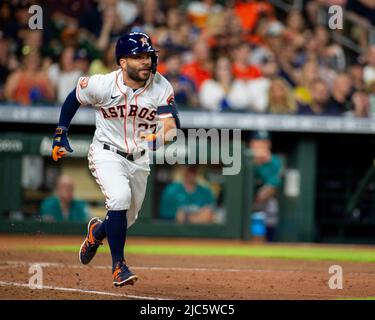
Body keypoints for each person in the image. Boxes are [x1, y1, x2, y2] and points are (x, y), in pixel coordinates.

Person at [51, 31, 180, 287]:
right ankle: (118, 266)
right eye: (139, 57)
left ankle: (96, 232)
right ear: (122, 62)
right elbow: (74, 96)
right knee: (119, 197)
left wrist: (158, 138)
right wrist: (60, 132)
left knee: (125, 219)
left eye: (148, 56)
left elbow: (171, 128)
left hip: (140, 159)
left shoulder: (161, 86)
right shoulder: (103, 84)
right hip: (106, 152)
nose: (146, 62)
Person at [249, 131, 282, 242]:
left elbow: (272, 185)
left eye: (265, 142)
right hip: (242, 200)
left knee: (271, 205)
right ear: (252, 144)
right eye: (258, 142)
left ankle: (268, 241)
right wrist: (255, 161)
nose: (262, 146)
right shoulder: (245, 157)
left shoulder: (275, 162)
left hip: (261, 202)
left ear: (269, 144)